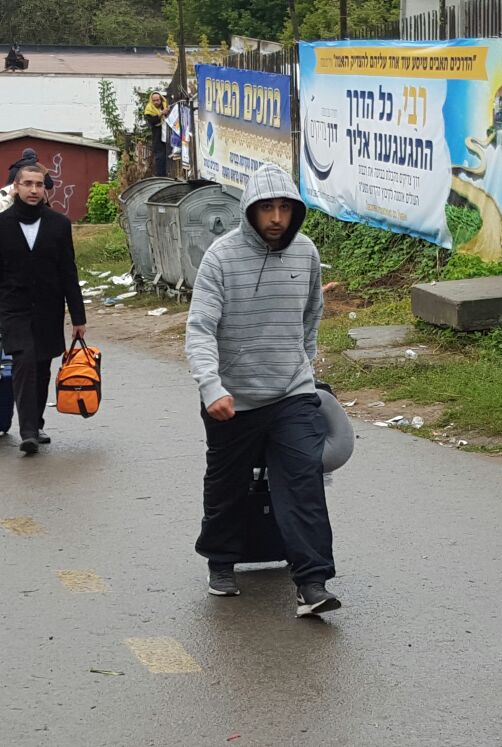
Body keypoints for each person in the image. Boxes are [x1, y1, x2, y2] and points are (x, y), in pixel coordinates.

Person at [185, 162, 339, 617]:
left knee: (303, 484)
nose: (276, 218)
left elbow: (312, 313)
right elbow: (199, 329)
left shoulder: (306, 252)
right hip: (232, 399)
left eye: (285, 209)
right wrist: (212, 386)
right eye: (266, 208)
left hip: (292, 392)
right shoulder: (221, 257)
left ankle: (312, 583)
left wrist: (304, 365)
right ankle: (221, 560)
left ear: (296, 212)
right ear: (249, 211)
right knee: (227, 484)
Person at [0, 163, 87, 455]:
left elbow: (68, 271)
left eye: (39, 185)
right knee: (24, 361)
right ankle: (27, 431)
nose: (33, 190)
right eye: (27, 184)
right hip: (14, 309)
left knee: (42, 367)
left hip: (48, 308)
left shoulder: (58, 224)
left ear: (45, 189)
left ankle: (36, 423)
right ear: (15, 187)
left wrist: (78, 316)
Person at [144, 92, 170, 177]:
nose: (156, 102)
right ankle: (161, 177)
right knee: (160, 158)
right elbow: (152, 122)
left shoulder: (166, 105)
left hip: (169, 136)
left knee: (170, 158)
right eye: (154, 101)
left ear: (161, 99)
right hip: (158, 137)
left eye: (157, 100)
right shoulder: (149, 110)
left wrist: (166, 113)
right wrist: (161, 113)